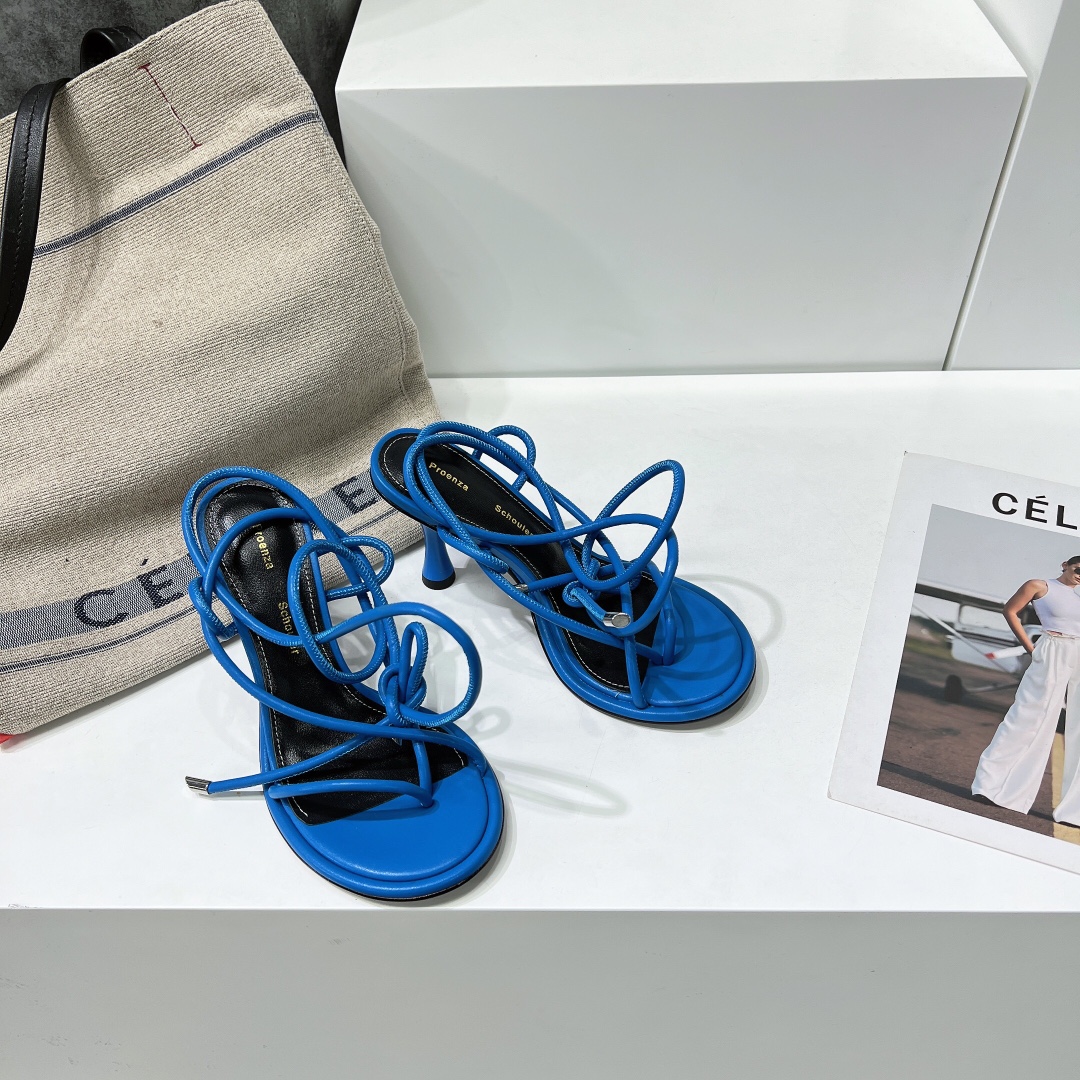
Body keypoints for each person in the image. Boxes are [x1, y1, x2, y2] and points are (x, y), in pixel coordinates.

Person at [972, 557, 1080, 825]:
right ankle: (992, 788)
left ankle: (1074, 812)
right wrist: (1031, 649)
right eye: (1078, 570)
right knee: (1027, 717)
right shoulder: (1039, 586)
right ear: (1065, 565)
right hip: (1053, 647)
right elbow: (1010, 611)